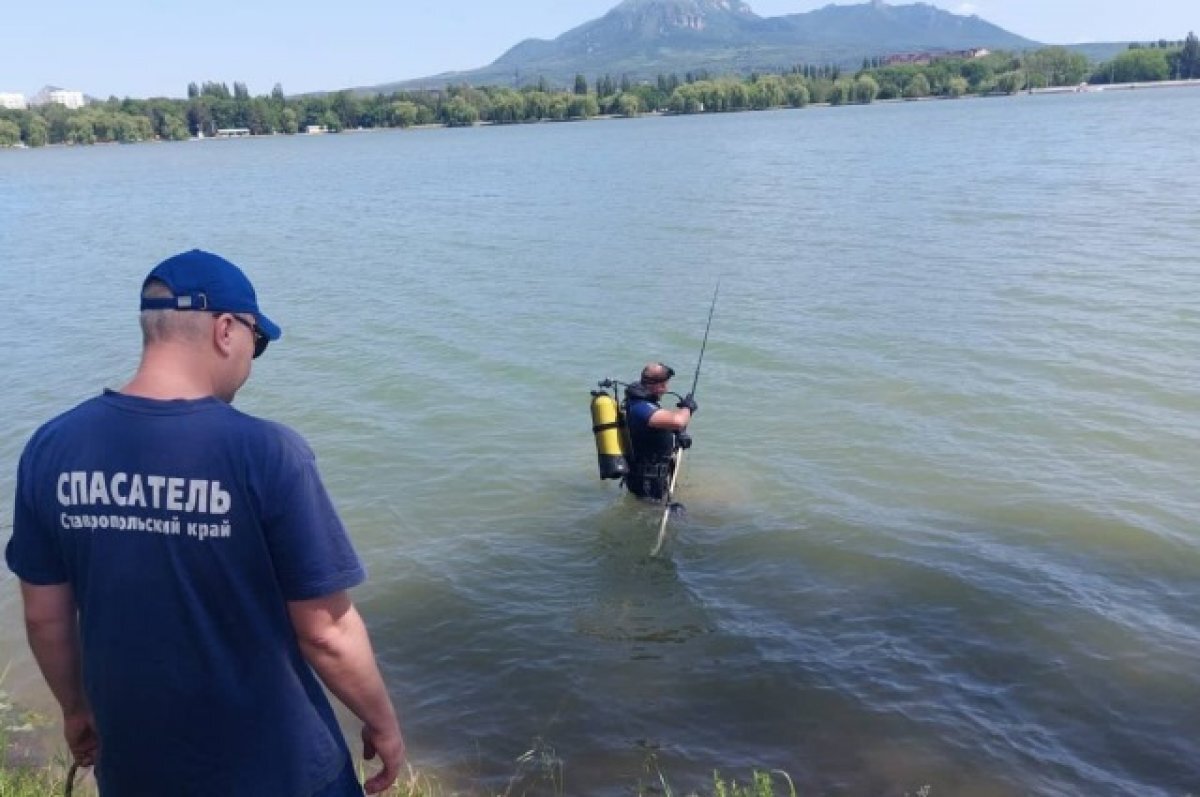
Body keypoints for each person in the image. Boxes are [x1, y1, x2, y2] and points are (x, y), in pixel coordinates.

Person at [5, 249, 405, 796]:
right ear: (225, 331)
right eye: (256, 343)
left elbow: (45, 618)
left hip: (139, 768)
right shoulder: (268, 453)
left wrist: (76, 709)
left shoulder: (51, 447)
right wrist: (381, 720)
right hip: (278, 771)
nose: (251, 359)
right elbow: (326, 631)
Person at [622, 362, 698, 500]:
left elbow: (662, 424)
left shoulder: (640, 403)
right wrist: (688, 407)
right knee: (652, 514)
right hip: (646, 482)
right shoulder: (641, 407)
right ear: (657, 386)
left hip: (651, 478)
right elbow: (678, 421)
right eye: (664, 385)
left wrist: (678, 432)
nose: (666, 389)